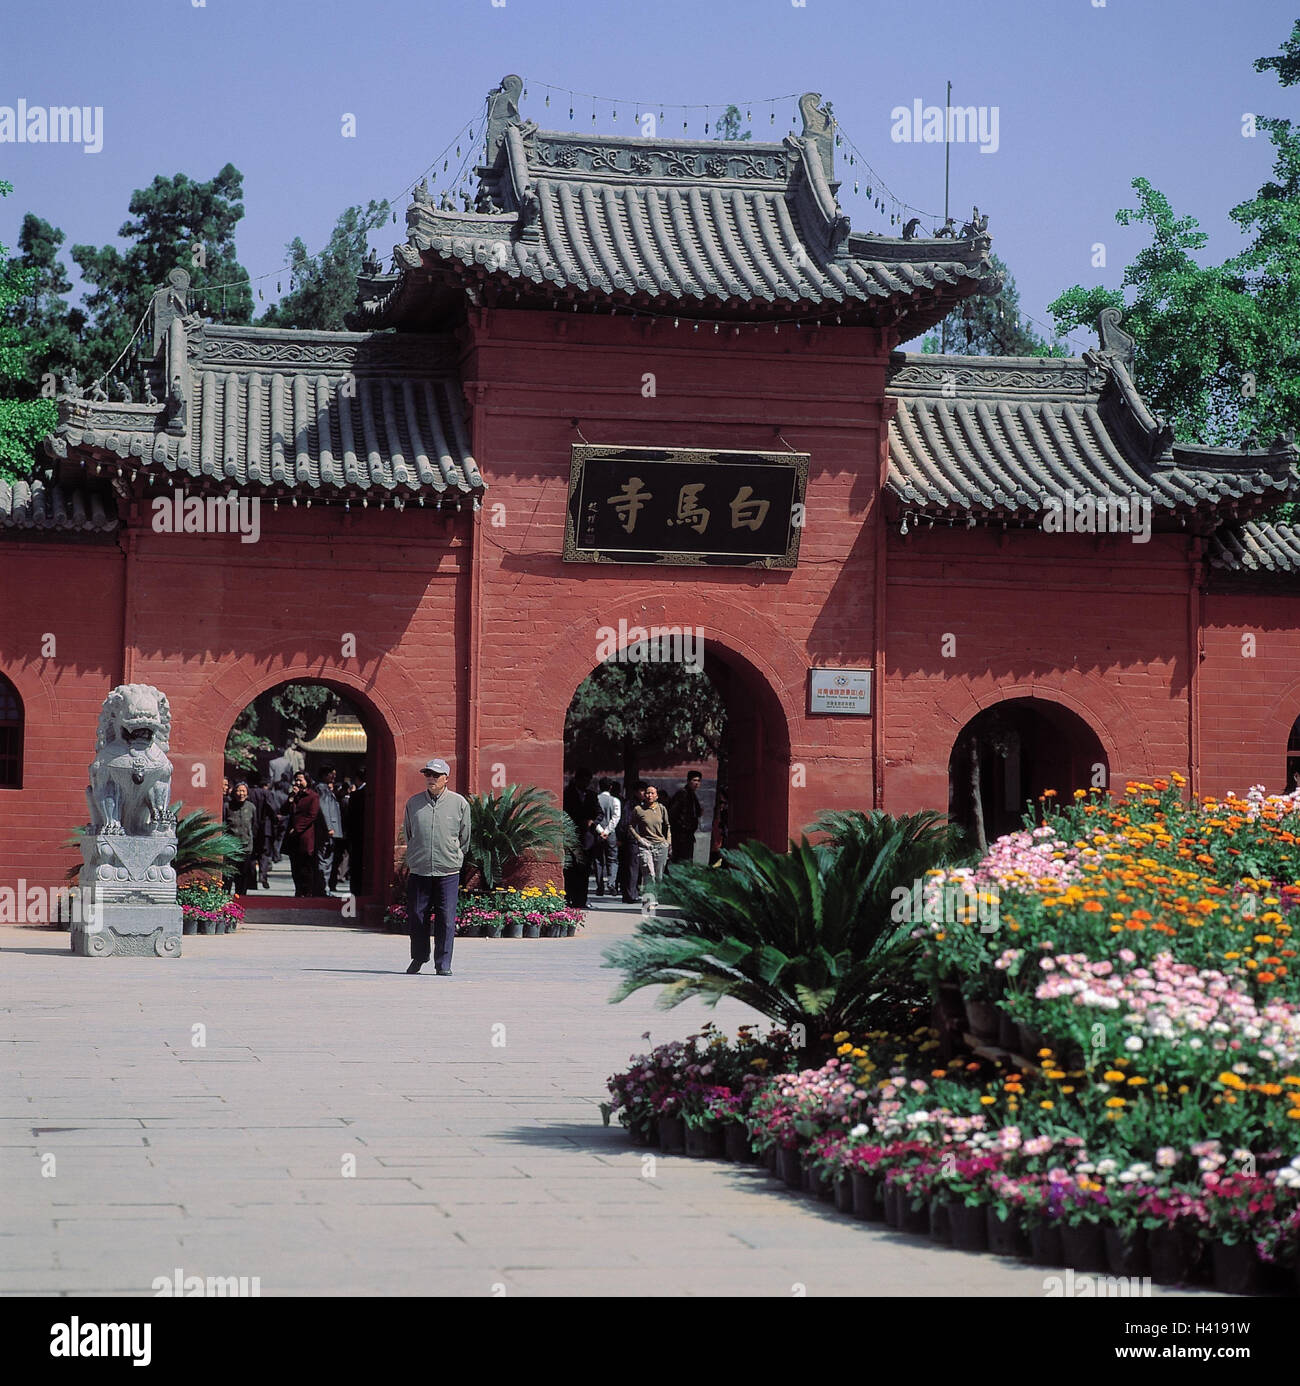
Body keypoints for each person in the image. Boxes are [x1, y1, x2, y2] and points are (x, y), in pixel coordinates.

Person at [402, 758, 471, 975]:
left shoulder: (460, 804)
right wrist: (414, 854)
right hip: (420, 869)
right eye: (428, 774)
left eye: (435, 775)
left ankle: (443, 963)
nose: (431, 778)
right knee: (417, 915)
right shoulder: (413, 803)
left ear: (446, 778)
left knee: (446, 918)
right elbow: (409, 833)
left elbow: (465, 836)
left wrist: (454, 855)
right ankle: (419, 957)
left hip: (448, 870)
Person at [562, 767, 600, 908]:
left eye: (588, 780)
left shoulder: (592, 795)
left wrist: (592, 822)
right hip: (571, 836)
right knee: (570, 870)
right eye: (583, 780)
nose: (586, 783)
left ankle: (581, 900)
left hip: (588, 839)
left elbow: (599, 813)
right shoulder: (567, 793)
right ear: (577, 780)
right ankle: (569, 898)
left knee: (584, 872)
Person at [284, 771, 324, 897]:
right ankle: (298, 890)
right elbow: (283, 810)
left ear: (307, 781)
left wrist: (297, 829)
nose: (298, 782)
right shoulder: (294, 796)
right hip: (292, 838)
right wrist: (290, 799)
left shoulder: (313, 796)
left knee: (306, 866)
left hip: (305, 836)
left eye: (300, 780)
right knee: (295, 865)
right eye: (296, 780)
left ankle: (307, 892)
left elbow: (311, 816)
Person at [628, 783, 671, 895]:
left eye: (652, 793)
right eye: (647, 793)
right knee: (648, 873)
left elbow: (667, 826)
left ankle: (655, 896)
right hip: (645, 846)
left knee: (658, 876)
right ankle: (649, 899)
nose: (649, 795)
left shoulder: (662, 809)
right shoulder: (638, 809)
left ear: (656, 796)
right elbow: (631, 826)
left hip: (660, 845)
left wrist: (668, 842)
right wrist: (639, 838)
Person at [223, 781, 258, 895]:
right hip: (230, 848)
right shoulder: (227, 806)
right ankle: (226, 900)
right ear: (234, 792)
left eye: (243, 791)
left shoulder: (251, 807)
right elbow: (223, 826)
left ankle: (242, 898)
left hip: (246, 847)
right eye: (238, 790)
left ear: (247, 793)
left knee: (243, 876)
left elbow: (254, 826)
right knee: (228, 876)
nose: (241, 793)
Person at [315, 765, 344, 895]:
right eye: (331, 774)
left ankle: (323, 887)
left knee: (327, 859)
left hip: (329, 829)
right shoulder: (322, 788)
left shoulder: (325, 788)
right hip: (327, 830)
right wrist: (329, 827)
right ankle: (323, 887)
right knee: (325, 859)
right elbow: (324, 808)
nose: (334, 777)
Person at [255, 773, 287, 889]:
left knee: (253, 854)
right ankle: (263, 875)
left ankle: (251, 878)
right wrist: (276, 820)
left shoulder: (251, 792)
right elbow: (272, 808)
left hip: (253, 827)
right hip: (265, 828)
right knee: (264, 853)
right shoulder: (267, 794)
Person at [668, 771, 704, 866]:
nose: (696, 783)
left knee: (687, 862)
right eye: (694, 780)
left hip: (688, 835)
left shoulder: (692, 795)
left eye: (698, 781)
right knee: (682, 862)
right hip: (681, 836)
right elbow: (672, 814)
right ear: (688, 781)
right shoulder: (682, 794)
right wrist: (682, 827)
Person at [593, 777, 621, 896]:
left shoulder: (595, 799)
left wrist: (600, 831)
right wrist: (608, 831)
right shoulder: (615, 800)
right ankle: (611, 883)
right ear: (611, 787)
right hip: (611, 834)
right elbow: (616, 817)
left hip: (597, 832)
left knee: (598, 860)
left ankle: (600, 886)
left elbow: (593, 817)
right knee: (612, 859)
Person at [345, 767, 367, 894]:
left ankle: (356, 889)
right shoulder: (368, 793)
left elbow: (350, 817)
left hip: (356, 834)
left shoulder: (356, 795)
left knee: (356, 863)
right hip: (364, 834)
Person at [617, 780, 639, 903]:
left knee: (634, 867)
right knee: (631, 867)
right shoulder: (630, 805)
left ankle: (631, 892)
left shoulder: (645, 804)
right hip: (632, 839)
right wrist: (621, 838)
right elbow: (624, 822)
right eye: (641, 791)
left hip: (641, 839)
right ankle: (630, 894)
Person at [709, 788, 730, 867]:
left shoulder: (724, 815)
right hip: (716, 847)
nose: (721, 805)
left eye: (723, 803)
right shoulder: (717, 814)